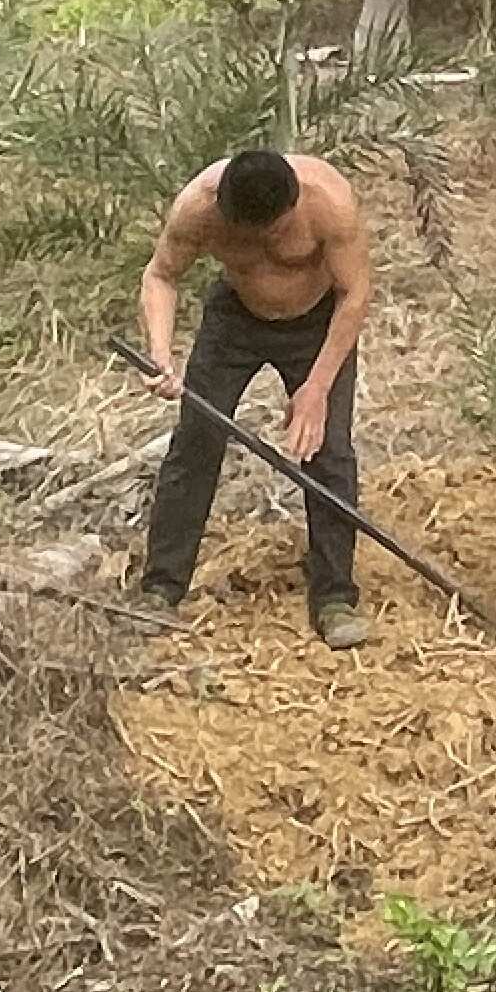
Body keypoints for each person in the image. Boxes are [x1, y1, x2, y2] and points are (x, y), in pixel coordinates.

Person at [135, 146, 375, 648]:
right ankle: (161, 588)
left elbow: (355, 293)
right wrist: (161, 355)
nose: (269, 242)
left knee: (328, 452)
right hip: (235, 322)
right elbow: (161, 275)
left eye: (279, 232)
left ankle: (334, 597)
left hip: (316, 323)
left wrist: (317, 388)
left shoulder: (327, 201)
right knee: (196, 442)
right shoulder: (199, 207)